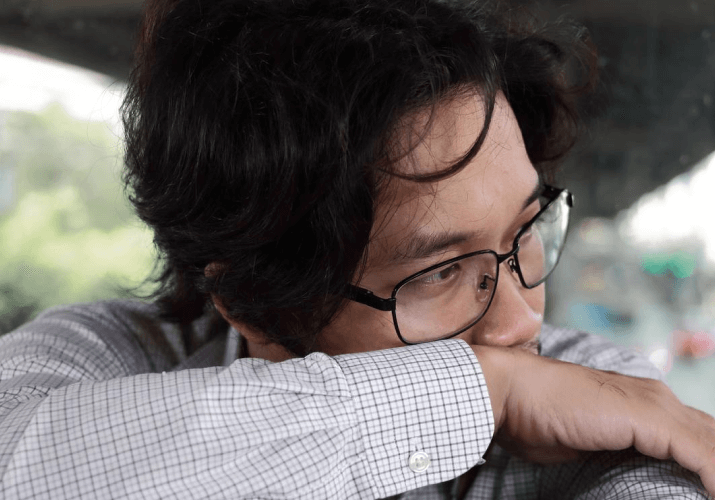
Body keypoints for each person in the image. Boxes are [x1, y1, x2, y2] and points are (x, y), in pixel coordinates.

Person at [1, 0, 714, 498]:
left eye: (525, 232)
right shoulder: (99, 360)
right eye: (441, 271)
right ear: (254, 300)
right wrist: (485, 393)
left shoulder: (595, 390)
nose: (521, 322)